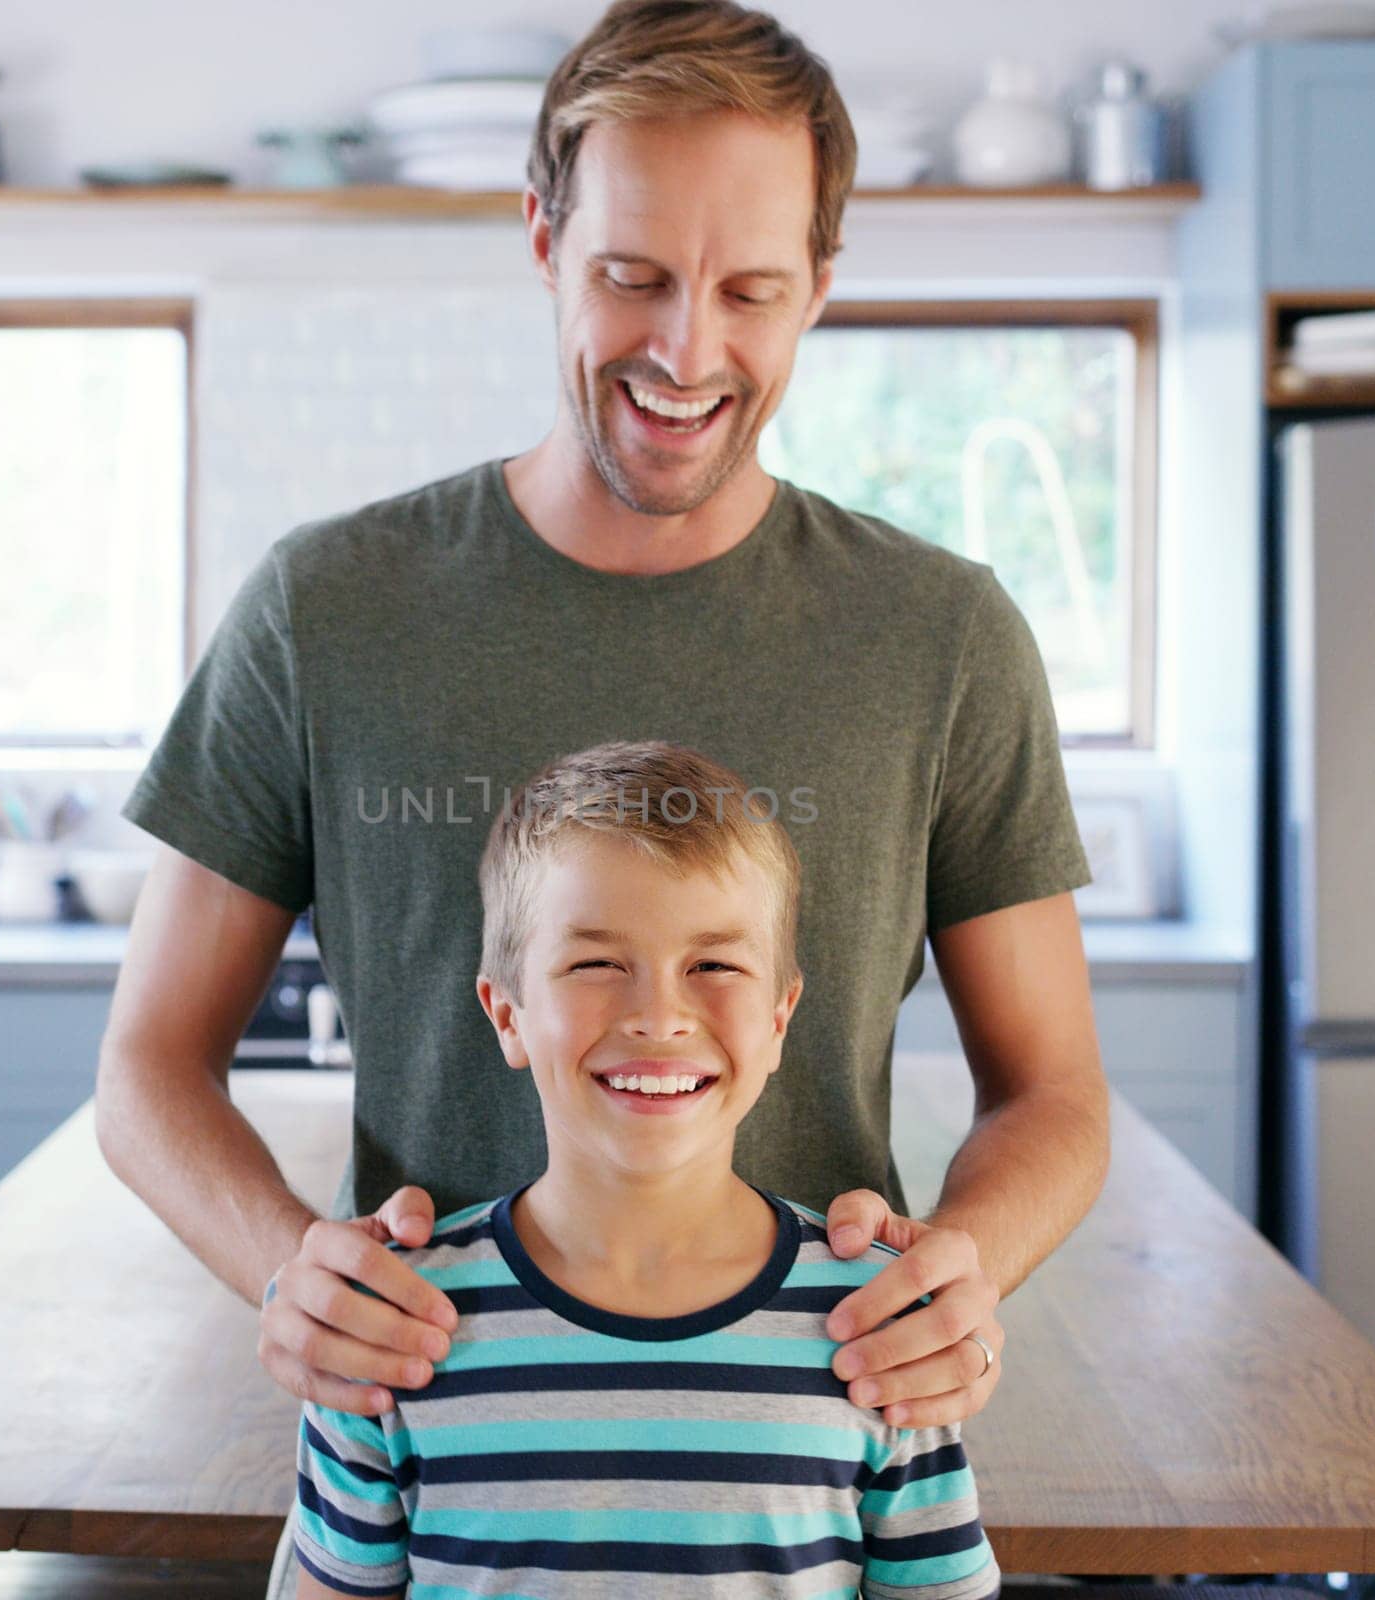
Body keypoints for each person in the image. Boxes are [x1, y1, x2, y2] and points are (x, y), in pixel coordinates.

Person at [96, 1, 1108, 1582]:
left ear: (820, 289)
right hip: (450, 1463)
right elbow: (147, 1070)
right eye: (632, 275)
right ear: (544, 240)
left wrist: (964, 1268)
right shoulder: (331, 610)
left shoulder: (942, 635)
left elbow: (1054, 1093)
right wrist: (290, 1268)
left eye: (750, 290)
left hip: (803, 1477)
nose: (686, 350)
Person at [290, 740, 1002, 1600]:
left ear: (780, 1018)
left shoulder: (879, 1333)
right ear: (507, 1013)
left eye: (714, 966)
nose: (659, 1016)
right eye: (595, 963)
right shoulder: (390, 1336)